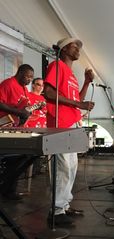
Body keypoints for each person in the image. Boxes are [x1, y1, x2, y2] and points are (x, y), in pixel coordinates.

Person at [44, 37, 95, 226]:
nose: (79, 50)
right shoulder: (56, 66)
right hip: (60, 122)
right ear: (64, 49)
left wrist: (87, 83)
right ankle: (56, 211)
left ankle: (64, 205)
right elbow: (48, 93)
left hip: (72, 122)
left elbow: (76, 99)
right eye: (75, 46)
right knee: (62, 166)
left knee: (72, 166)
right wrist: (78, 104)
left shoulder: (71, 74)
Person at [0, 64, 37, 200]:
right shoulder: (8, 83)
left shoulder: (24, 89)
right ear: (20, 72)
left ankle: (9, 191)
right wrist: (18, 112)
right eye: (27, 76)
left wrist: (25, 115)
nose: (29, 80)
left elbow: (23, 108)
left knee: (17, 158)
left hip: (15, 127)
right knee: (13, 157)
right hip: (3, 125)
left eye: (31, 78)